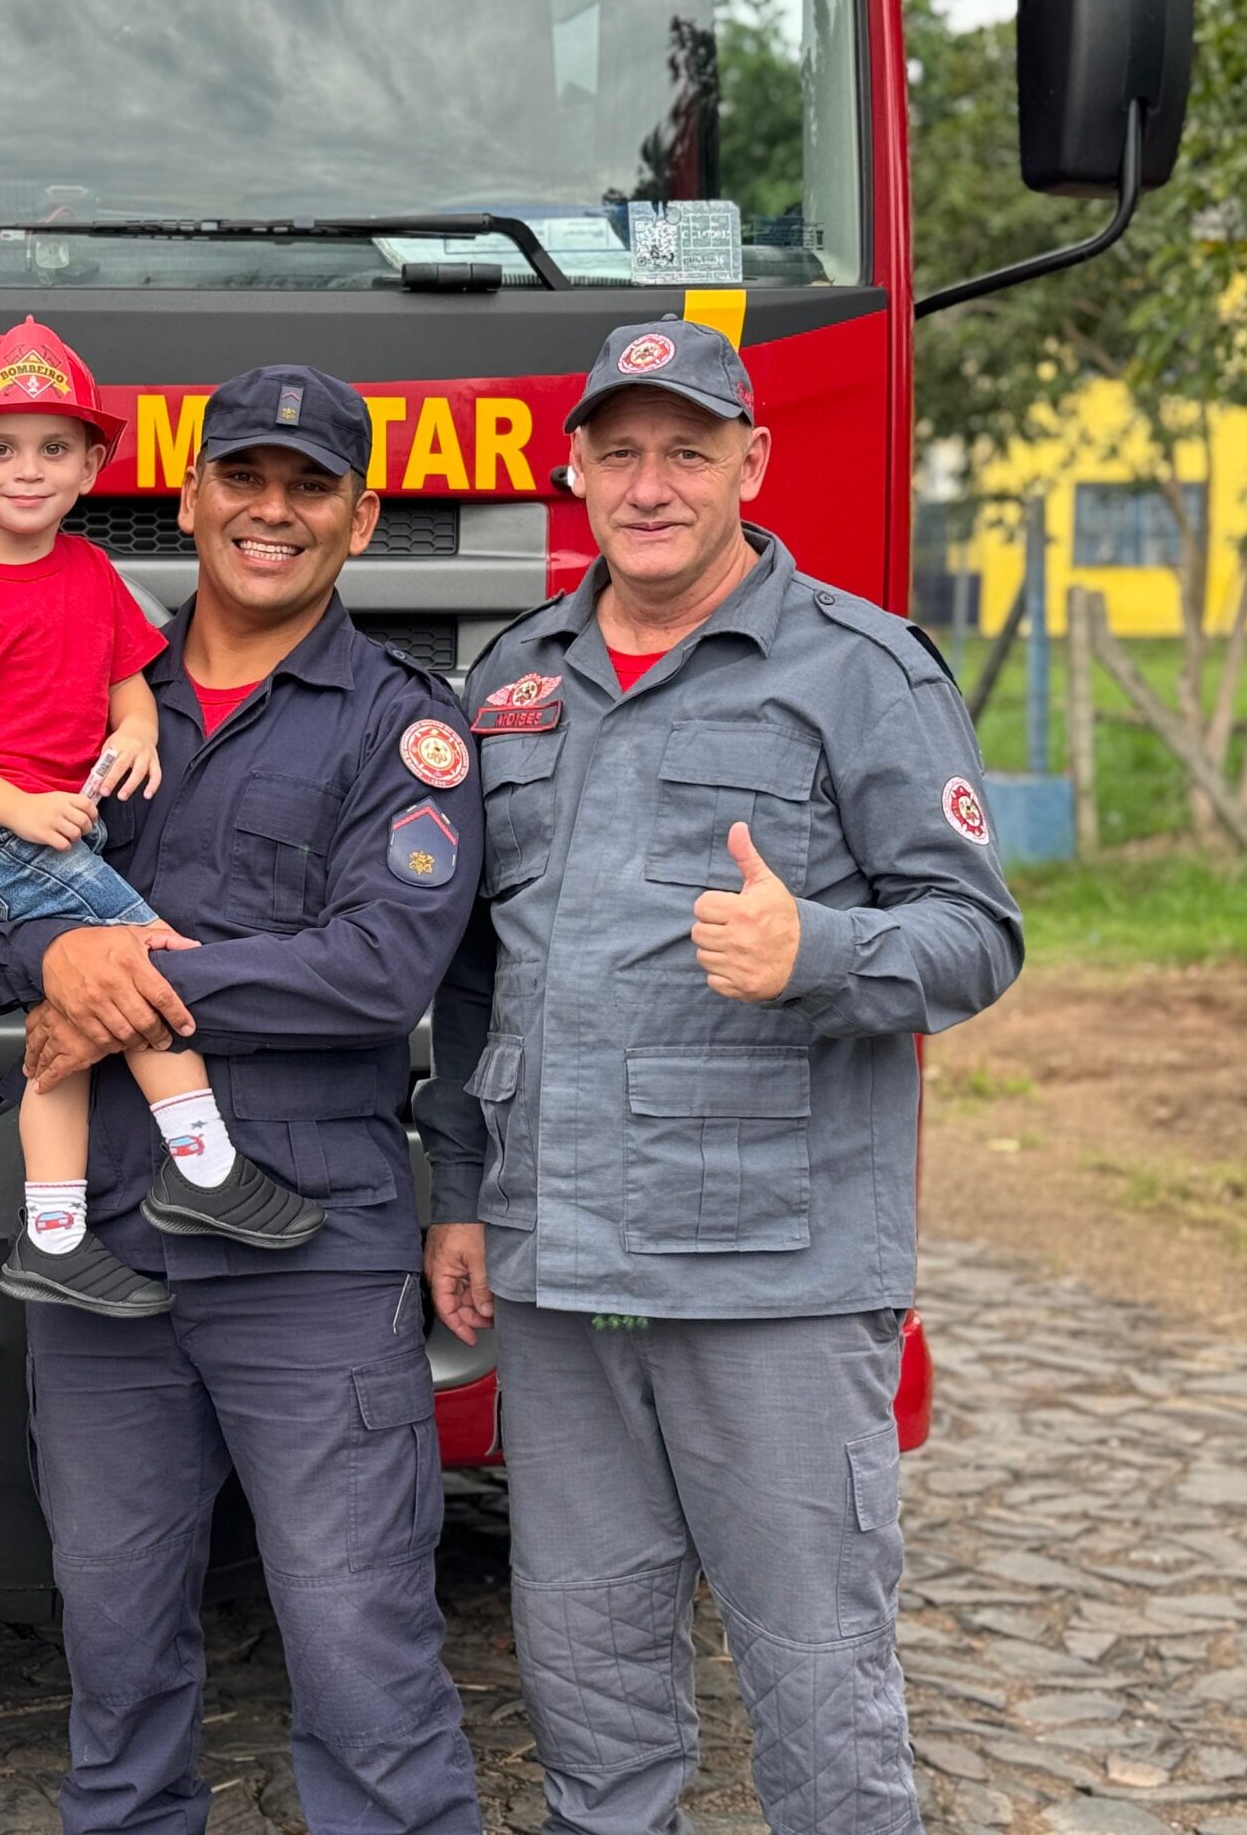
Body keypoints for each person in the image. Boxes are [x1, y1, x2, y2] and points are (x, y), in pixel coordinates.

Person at [417, 318, 1022, 1835]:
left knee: (817, 1681)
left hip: (775, 1272)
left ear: (752, 462)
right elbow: (478, 971)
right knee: (588, 1676)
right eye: (619, 450)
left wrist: (817, 949)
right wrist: (461, 1196)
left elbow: (974, 934)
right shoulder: (516, 683)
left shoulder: (857, 669)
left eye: (688, 449)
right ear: (573, 472)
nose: (652, 482)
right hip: (565, 1270)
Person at [0, 363, 487, 1835]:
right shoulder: (90, 693)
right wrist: (57, 947)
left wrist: (124, 978)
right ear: (189, 498)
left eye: (311, 489)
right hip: (100, 1253)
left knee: (362, 1651)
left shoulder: (402, 727)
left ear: (360, 522)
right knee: (113, 1654)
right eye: (245, 478)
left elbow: (379, 968)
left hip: (309, 1252)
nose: (273, 512)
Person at [0, 318, 325, 1320]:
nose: (26, 472)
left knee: (78, 1019)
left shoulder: (88, 574)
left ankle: (56, 1232)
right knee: (144, 965)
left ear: (89, 468)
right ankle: (204, 1171)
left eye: (53, 450)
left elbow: (129, 681)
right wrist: (17, 807)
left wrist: (139, 735)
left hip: (67, 829)